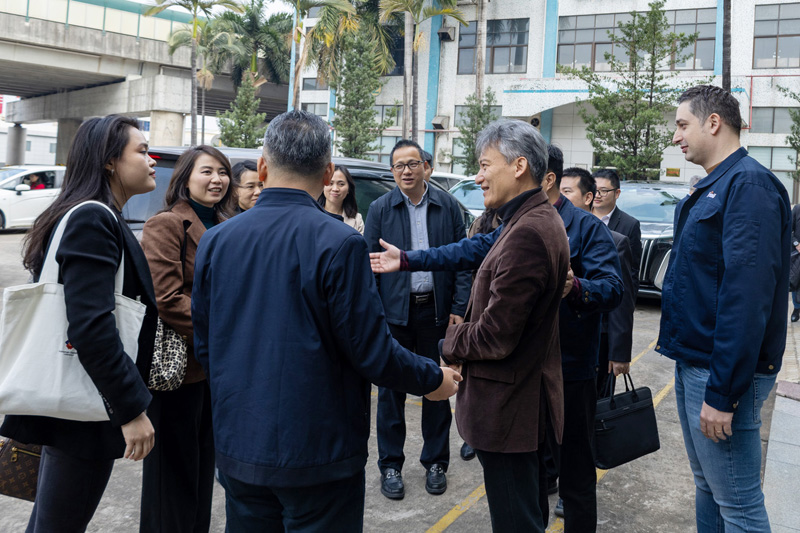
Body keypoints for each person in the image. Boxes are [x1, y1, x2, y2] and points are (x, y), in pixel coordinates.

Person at [191, 110, 460, 532]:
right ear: (327, 173)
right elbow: (371, 351)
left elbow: (206, 344)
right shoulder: (340, 242)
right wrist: (432, 379)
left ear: (263, 167)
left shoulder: (216, 241)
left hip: (241, 445)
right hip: (320, 453)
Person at [371, 153, 623, 532]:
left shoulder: (568, 228)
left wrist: (576, 288)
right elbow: (469, 249)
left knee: (574, 471)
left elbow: (613, 290)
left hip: (568, 368)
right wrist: (408, 259)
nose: (479, 177)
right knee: (534, 478)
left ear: (534, 173)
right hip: (528, 374)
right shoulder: (517, 222)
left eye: (486, 166)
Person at [0, 115, 158, 532]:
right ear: (110, 161)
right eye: (142, 151)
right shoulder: (93, 218)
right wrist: (131, 410)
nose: (152, 160)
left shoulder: (92, 214)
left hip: (75, 400)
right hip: (84, 408)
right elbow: (91, 326)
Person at [662, 84, 790, 532]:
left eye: (683, 125)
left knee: (738, 505)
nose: (676, 136)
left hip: (721, 372)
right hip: (696, 361)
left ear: (713, 122)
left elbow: (746, 296)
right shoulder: (717, 184)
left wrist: (723, 393)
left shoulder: (748, 186)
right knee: (709, 487)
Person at [364, 139, 471, 499]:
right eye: (399, 166)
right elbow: (369, 266)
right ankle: (390, 465)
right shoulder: (380, 208)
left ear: (426, 166)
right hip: (394, 315)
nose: (406, 171)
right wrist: (376, 314)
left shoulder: (447, 206)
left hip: (435, 313)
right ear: (392, 171)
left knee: (437, 385)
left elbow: (462, 260)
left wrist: (459, 307)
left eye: (412, 164)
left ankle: (436, 462)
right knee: (390, 392)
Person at [139, 145, 236, 533]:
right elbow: (167, 298)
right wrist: (226, 332)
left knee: (201, 470)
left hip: (215, 370)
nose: (217, 179)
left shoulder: (229, 223)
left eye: (223, 172)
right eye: (207, 171)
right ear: (185, 178)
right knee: (173, 478)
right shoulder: (166, 224)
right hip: (178, 371)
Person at [592, 168, 642, 293]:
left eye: (604, 191)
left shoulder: (630, 224)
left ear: (617, 193)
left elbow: (632, 272)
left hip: (612, 293)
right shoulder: (580, 217)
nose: (597, 195)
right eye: (594, 189)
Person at [318, 164, 364, 233]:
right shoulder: (312, 214)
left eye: (341, 184)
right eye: (330, 183)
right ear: (323, 186)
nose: (335, 189)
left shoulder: (357, 220)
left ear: (349, 189)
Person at [792, 203, 800, 322]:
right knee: (796, 281)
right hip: (797, 253)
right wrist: (796, 244)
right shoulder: (797, 209)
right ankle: (796, 309)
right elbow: (789, 229)